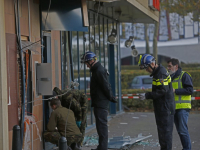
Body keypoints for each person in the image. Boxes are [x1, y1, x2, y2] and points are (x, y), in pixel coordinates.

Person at [81, 51, 117, 150]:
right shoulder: (97, 70)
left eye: (87, 63)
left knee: (102, 127)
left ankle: (102, 148)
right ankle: (101, 147)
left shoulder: (99, 71)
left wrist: (111, 97)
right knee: (100, 126)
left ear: (92, 61)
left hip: (101, 103)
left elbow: (105, 86)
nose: (87, 66)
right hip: (99, 102)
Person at [138, 54, 175, 150]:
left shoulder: (160, 74)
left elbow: (162, 91)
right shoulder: (158, 73)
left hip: (165, 108)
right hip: (163, 108)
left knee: (165, 135)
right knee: (162, 134)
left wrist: (147, 95)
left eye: (147, 68)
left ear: (152, 64)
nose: (146, 70)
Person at [167, 58, 193, 150]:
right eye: (168, 66)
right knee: (180, 131)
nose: (168, 68)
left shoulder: (184, 75)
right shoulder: (170, 77)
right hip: (174, 108)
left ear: (176, 66)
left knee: (182, 131)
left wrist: (176, 91)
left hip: (183, 108)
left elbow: (190, 90)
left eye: (170, 66)